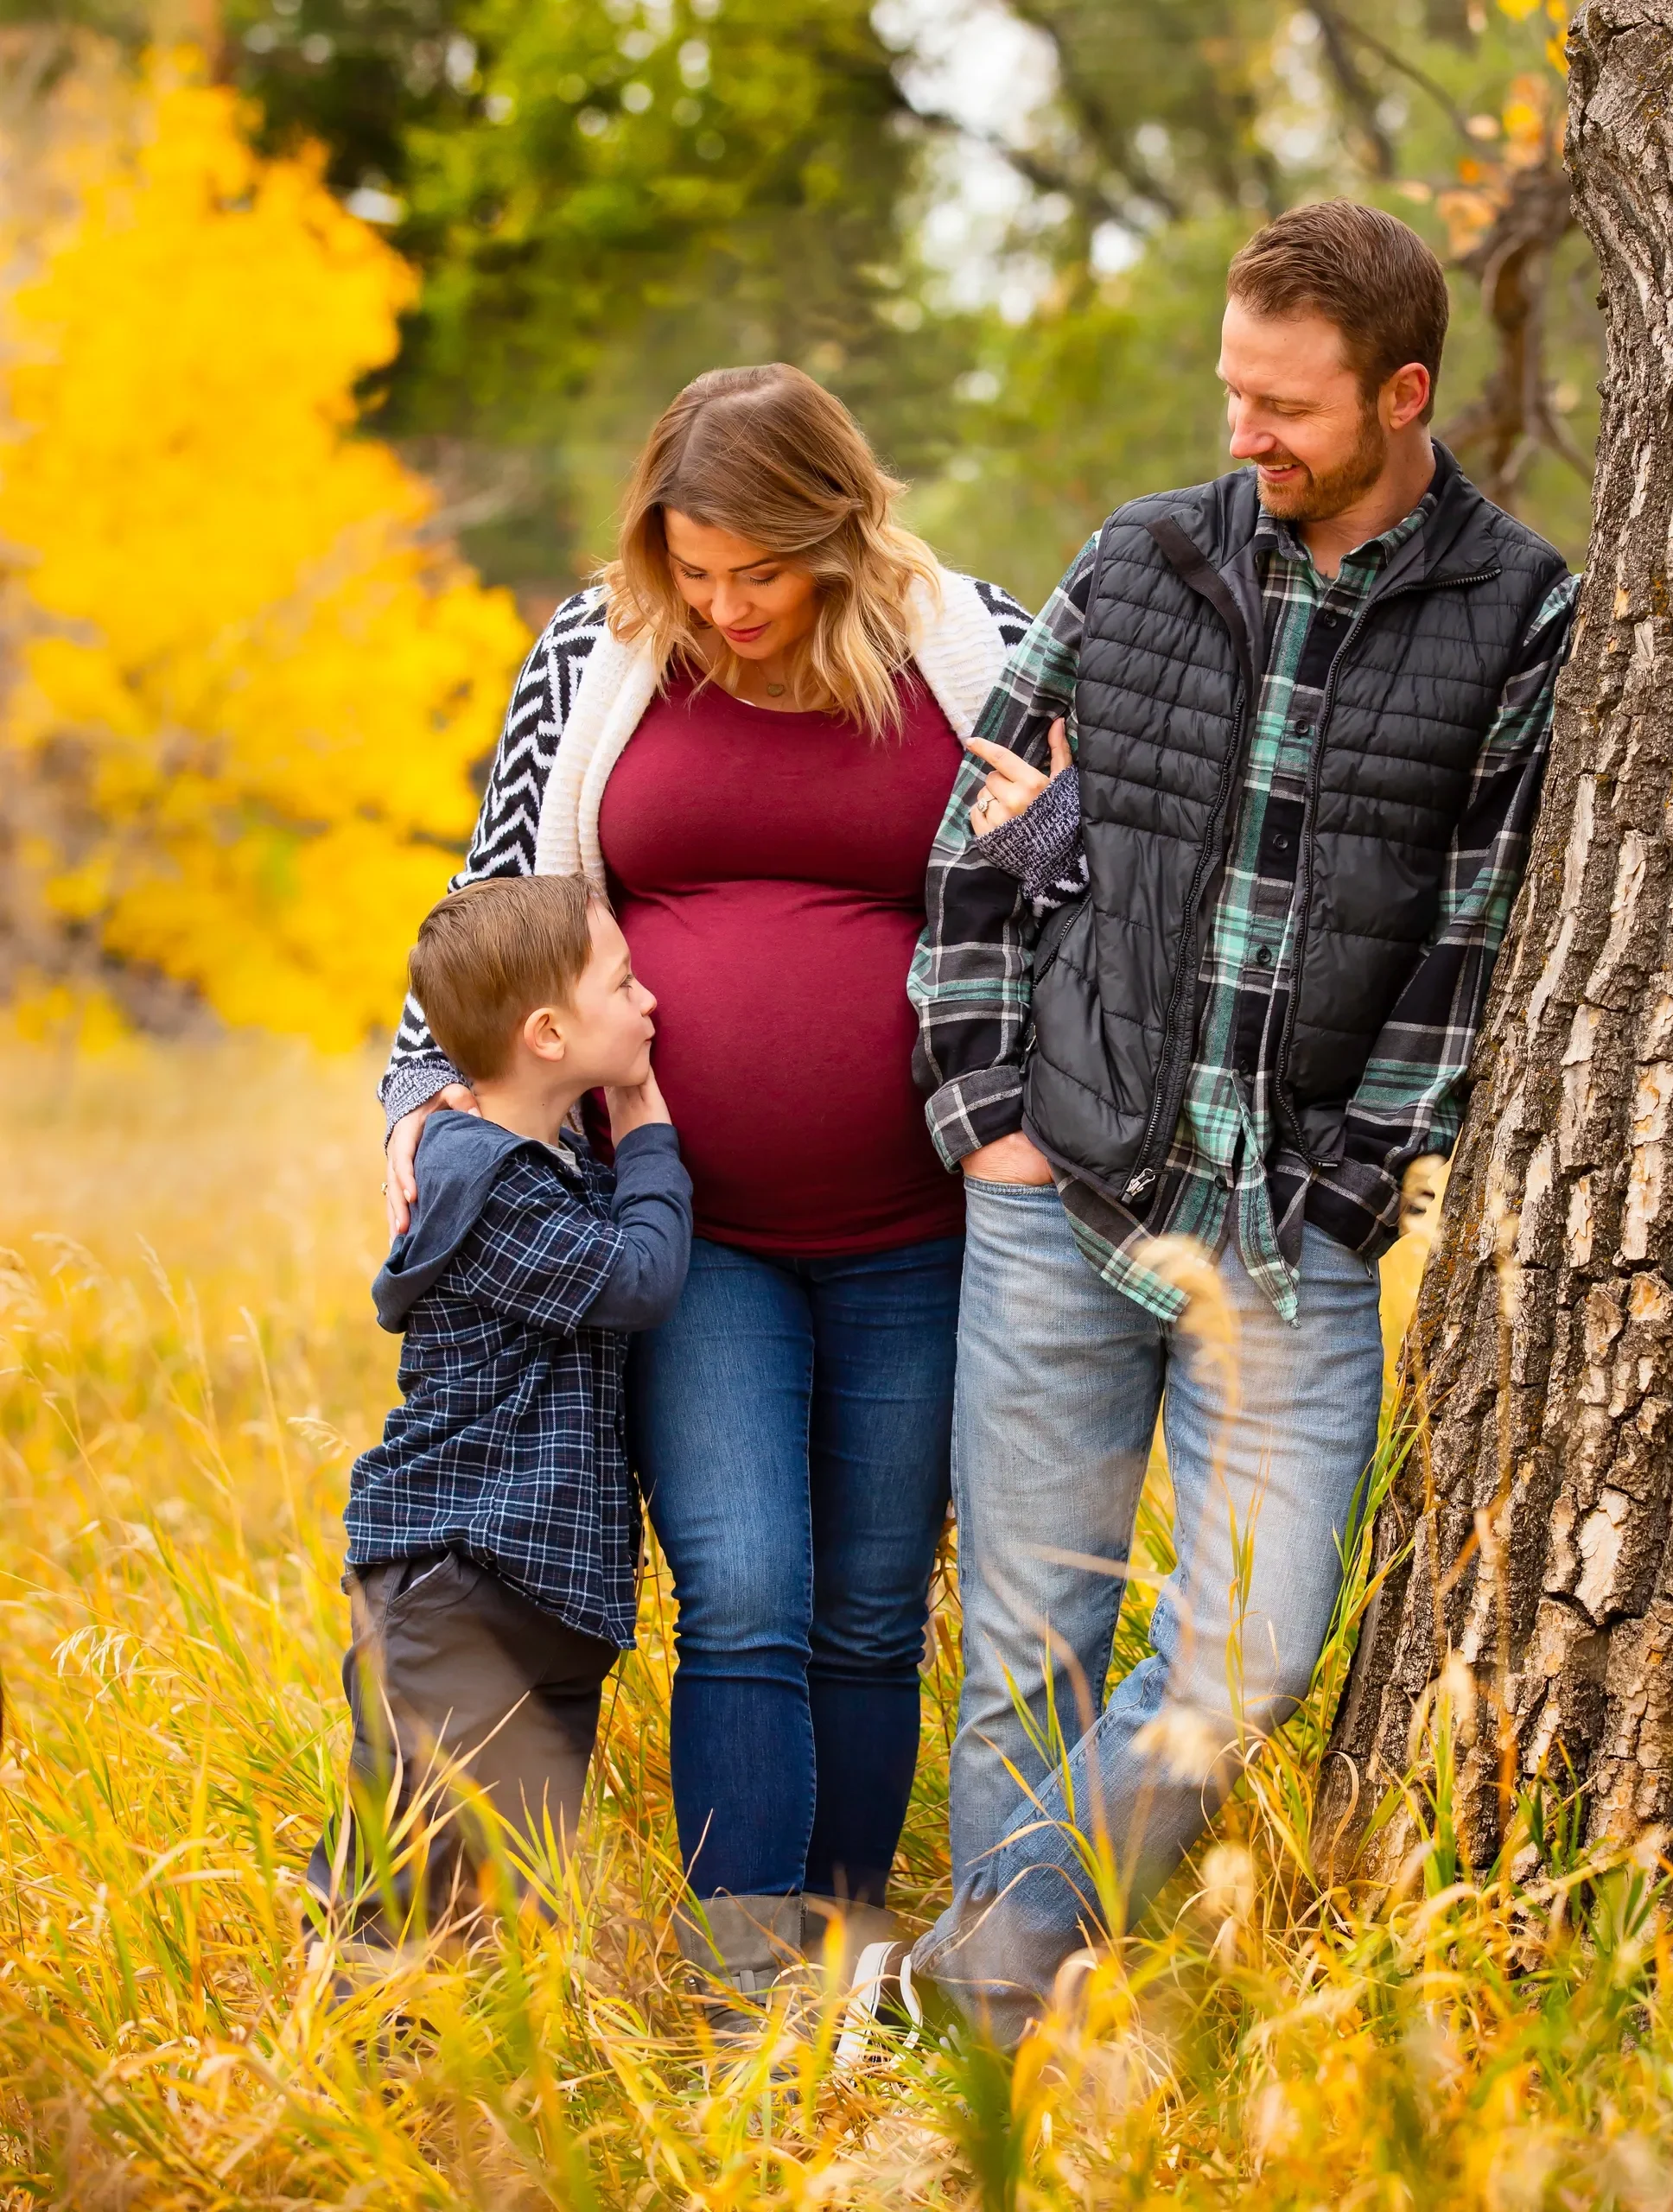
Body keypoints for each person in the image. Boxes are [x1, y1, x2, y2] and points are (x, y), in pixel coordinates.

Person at [846, 200, 1579, 2044]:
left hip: (1293, 1234)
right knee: (1025, 1656)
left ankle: (958, 1984)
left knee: (1245, 1649)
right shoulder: (1139, 559)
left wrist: (1348, 1185)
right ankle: (992, 2062)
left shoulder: (1518, 613)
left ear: (1407, 394)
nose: (1242, 436)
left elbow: (1475, 934)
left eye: (1289, 408)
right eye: (1231, 390)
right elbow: (970, 862)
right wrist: (990, 1117)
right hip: (1063, 1196)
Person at [377, 365, 1030, 2006]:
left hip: (924, 1227)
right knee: (743, 1586)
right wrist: (414, 1092)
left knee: (875, 1606)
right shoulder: (594, 650)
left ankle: (845, 1949)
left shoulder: (974, 646)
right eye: (695, 568)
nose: (725, 607)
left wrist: (1062, 831)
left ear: (839, 529)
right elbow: (495, 892)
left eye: (761, 571)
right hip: (685, 1230)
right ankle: (746, 1973)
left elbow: (1085, 863)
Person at [309, 874, 691, 1952]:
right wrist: (645, 1123)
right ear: (549, 1034)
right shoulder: (488, 1178)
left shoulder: (538, 1163)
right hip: (463, 1571)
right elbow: (639, 1277)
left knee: (506, 1875)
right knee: (409, 1850)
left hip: (537, 1586)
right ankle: (349, 2065)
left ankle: (467, 2082)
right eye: (623, 983)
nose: (650, 1000)